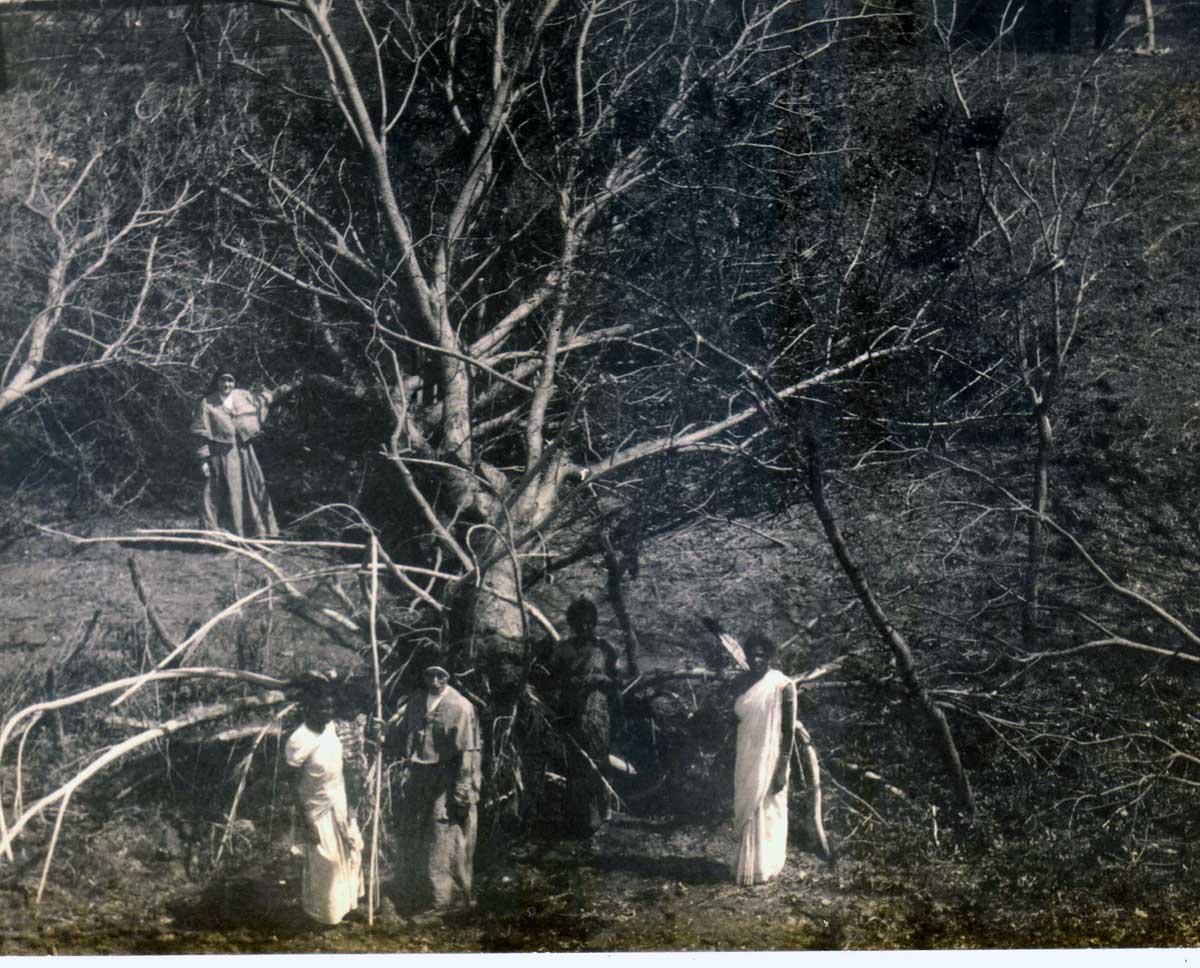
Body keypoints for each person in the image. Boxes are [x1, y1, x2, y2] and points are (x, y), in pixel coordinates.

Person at [383, 660, 481, 919]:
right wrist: (384, 736)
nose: (435, 681)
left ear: (449, 677)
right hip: (421, 777)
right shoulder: (417, 701)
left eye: (441, 676)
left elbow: (468, 754)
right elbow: (402, 733)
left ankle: (447, 902)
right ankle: (424, 893)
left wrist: (462, 791)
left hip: (448, 779)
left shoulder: (460, 707)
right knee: (420, 835)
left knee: (445, 836)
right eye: (430, 675)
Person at [285, 673, 365, 926]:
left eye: (330, 707)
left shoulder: (332, 728)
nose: (327, 712)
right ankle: (323, 916)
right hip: (316, 810)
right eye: (321, 707)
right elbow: (293, 785)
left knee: (352, 854)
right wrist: (307, 821)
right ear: (309, 708)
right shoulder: (299, 740)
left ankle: (348, 907)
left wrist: (352, 804)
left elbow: (345, 762)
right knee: (326, 865)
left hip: (339, 802)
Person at [545, 597, 621, 838]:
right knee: (576, 765)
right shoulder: (562, 649)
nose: (585, 628)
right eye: (580, 623)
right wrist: (575, 682)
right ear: (572, 624)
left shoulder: (605, 649)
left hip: (598, 712)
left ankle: (601, 814)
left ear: (595, 623)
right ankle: (578, 819)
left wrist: (603, 681)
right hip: (572, 712)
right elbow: (551, 680)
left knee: (598, 761)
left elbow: (617, 682)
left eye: (589, 623)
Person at [732, 631, 796, 886]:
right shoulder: (743, 684)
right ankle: (746, 864)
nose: (755, 660)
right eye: (751, 656)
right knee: (747, 806)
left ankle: (766, 866)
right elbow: (737, 719)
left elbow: (788, 729)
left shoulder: (782, 685)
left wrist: (783, 765)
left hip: (770, 758)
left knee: (768, 809)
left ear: (768, 657)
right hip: (746, 754)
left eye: (760, 656)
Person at [190, 366, 279, 538]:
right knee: (220, 494)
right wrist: (204, 460)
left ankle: (257, 533)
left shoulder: (242, 396)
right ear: (217, 381)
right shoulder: (207, 403)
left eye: (230, 380)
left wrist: (288, 386)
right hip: (220, 456)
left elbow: (262, 401)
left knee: (251, 490)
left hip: (245, 453)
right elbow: (199, 434)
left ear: (234, 382)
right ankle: (220, 536)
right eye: (223, 380)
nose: (226, 384)